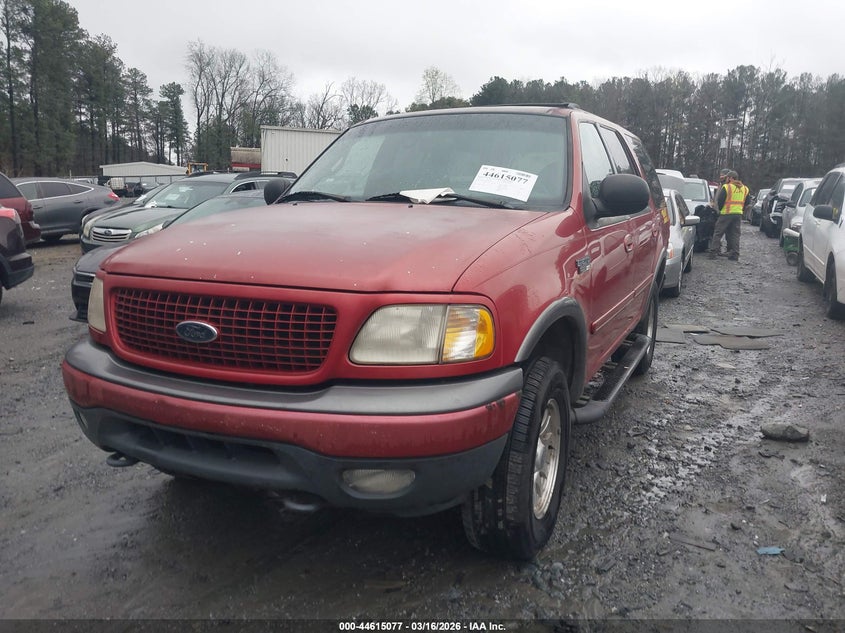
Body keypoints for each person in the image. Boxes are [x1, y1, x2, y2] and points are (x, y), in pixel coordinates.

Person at [708, 169, 749, 261]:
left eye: (727, 178)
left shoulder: (727, 187)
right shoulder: (745, 188)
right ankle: (735, 254)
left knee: (718, 233)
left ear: (730, 178)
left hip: (726, 214)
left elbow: (721, 200)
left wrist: (720, 210)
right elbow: (747, 202)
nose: (726, 179)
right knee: (735, 235)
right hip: (738, 214)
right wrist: (740, 209)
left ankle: (713, 253)